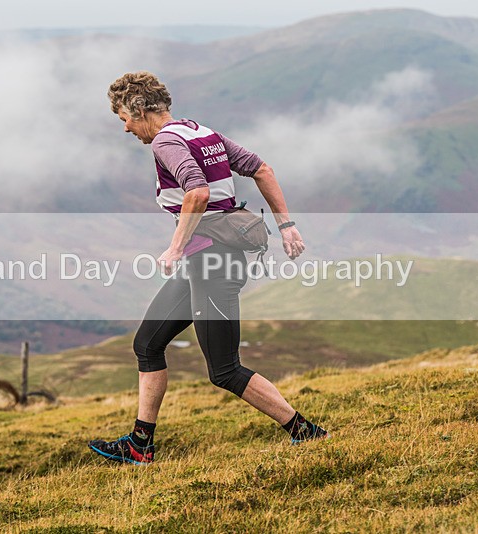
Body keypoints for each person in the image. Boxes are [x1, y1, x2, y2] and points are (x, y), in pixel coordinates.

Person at [88, 71, 329, 465]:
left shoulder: (167, 141)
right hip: (204, 262)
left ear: (140, 109)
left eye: (124, 119)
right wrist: (287, 226)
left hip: (213, 265)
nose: (126, 128)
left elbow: (197, 191)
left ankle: (307, 432)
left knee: (224, 370)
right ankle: (140, 445)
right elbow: (262, 169)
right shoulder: (199, 131)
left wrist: (174, 247)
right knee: (147, 345)